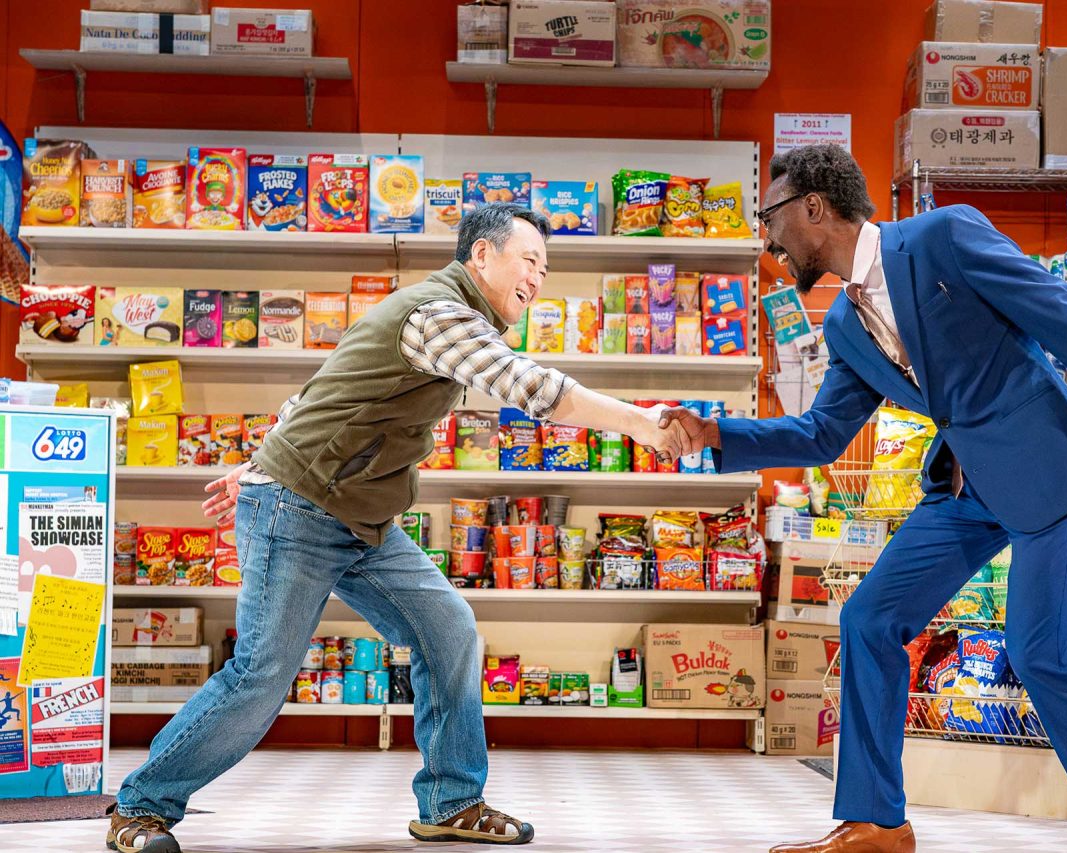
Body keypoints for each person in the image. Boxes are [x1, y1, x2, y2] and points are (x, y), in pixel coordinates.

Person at [660, 145, 1067, 853]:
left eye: (769, 216)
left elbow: (1061, 316)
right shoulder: (843, 324)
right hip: (963, 486)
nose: (767, 238)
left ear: (814, 207)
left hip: (1046, 465)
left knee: (1039, 651)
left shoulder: (943, 235)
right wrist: (715, 432)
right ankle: (878, 822)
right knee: (870, 618)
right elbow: (821, 433)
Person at [107, 204, 691, 853]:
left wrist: (256, 456)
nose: (538, 277)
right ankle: (141, 805)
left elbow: (322, 392)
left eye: (546, 269)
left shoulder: (442, 316)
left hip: (362, 517)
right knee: (262, 673)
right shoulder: (441, 314)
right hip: (299, 508)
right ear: (482, 257)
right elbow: (530, 385)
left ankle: (452, 799)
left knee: (449, 631)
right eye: (529, 259)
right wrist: (641, 422)